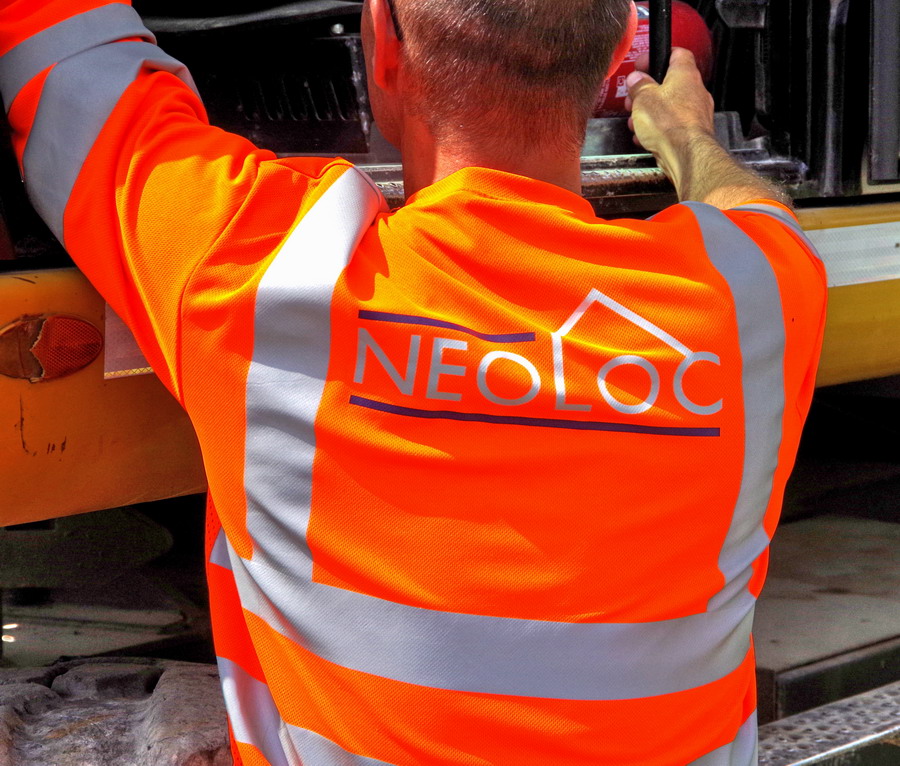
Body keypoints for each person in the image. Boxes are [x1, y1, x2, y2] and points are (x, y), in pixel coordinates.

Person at [0, 0, 826, 763]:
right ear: (616, 56)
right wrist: (683, 134)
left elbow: (64, 57)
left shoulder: (263, 272)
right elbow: (755, 213)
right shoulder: (752, 305)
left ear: (382, 46)